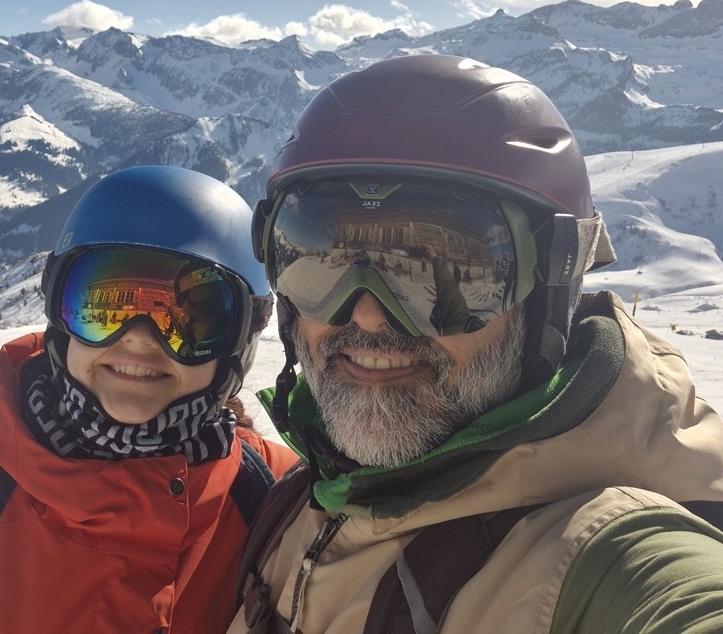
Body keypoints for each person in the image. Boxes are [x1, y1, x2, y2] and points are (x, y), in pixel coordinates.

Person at [230, 54, 723, 633]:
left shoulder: (602, 556)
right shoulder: (303, 494)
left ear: (548, 291)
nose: (364, 315)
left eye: (432, 271)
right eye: (318, 263)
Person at [0, 165, 298, 634]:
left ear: (242, 340)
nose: (139, 340)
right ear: (57, 319)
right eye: (105, 307)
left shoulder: (287, 501)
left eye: (189, 320)